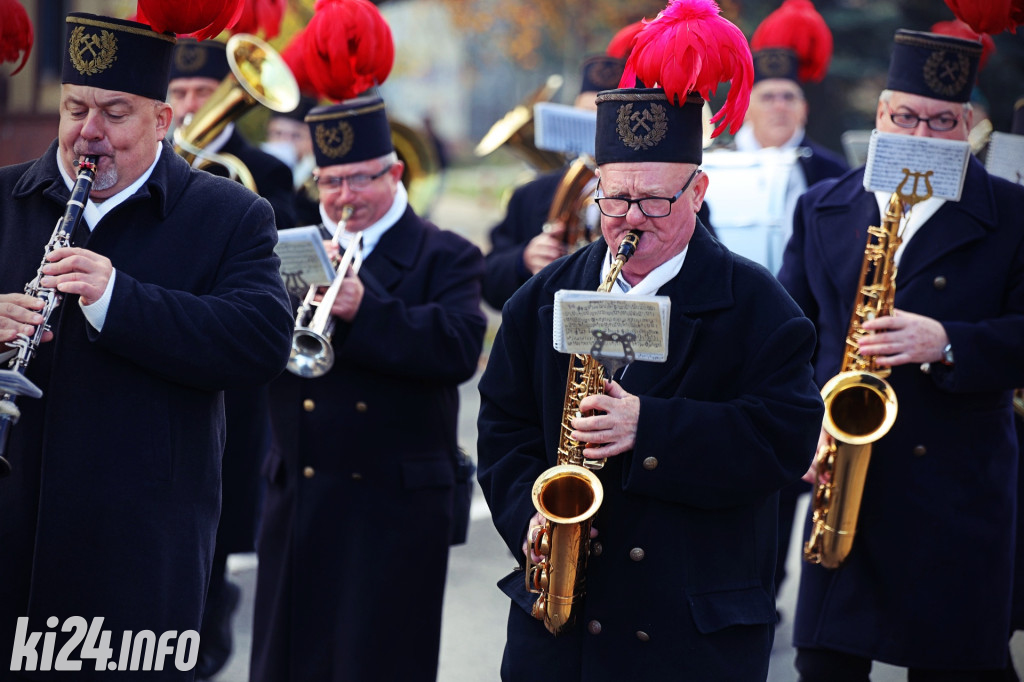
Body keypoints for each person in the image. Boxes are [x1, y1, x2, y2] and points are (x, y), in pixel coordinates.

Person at [476, 1, 825, 678]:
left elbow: (786, 439)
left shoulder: (760, 306)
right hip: (563, 630)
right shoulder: (542, 297)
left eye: (655, 202)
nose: (630, 221)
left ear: (698, 189)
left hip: (690, 629)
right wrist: (530, 515)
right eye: (614, 199)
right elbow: (505, 426)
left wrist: (653, 426)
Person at [0, 12, 293, 679]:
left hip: (138, 556)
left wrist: (117, 299)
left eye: (115, 112)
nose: (87, 133)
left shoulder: (230, 215)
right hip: (11, 540)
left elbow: (260, 341)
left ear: (163, 121)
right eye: (74, 109)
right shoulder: (4, 199)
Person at [778, 29, 1024, 680]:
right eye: (906, 117)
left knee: (961, 665)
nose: (922, 134)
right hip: (848, 479)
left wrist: (947, 341)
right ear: (880, 116)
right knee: (825, 661)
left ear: (969, 125)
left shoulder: (1013, 212)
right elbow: (787, 337)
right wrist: (802, 428)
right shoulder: (823, 205)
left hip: (957, 487)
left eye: (943, 121)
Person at [250, 94, 487, 682]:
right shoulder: (290, 248)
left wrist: (366, 307)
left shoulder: (445, 253)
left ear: (395, 173)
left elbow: (459, 347)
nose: (344, 197)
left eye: (360, 179)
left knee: (379, 662)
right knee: (289, 661)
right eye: (330, 182)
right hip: (302, 495)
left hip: (393, 509)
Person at [165, 36, 302, 679]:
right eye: (182, 93)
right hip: (160, 353)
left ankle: (210, 631)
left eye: (203, 92)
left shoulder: (264, 176)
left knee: (213, 517)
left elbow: (281, 274)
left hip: (230, 375)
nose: (195, 106)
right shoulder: (149, 166)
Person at [734, 0, 850, 604]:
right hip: (728, 334)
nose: (780, 107)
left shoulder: (831, 172)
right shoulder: (716, 165)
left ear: (804, 106)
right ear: (749, 103)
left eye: (790, 98)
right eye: (769, 96)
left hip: (803, 344)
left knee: (788, 474)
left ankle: (770, 590)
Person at [481, 54, 624, 311]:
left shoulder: (667, 197)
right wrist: (523, 260)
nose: (596, 130)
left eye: (608, 119)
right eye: (585, 117)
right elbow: (487, 281)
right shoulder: (529, 195)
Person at [167, 37, 297, 229]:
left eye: (202, 92)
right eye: (179, 94)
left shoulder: (268, 170)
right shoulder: (150, 157)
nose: (189, 105)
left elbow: (281, 232)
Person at [262, 95, 321, 226]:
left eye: (296, 136)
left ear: (311, 141)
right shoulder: (254, 170)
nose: (285, 142)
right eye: (277, 133)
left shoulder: (319, 179)